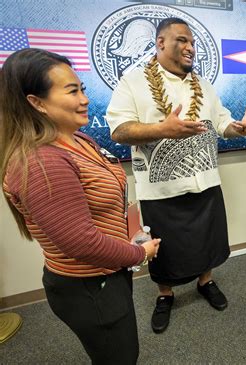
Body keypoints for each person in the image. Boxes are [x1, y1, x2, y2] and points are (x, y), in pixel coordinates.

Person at [0, 49, 160, 364]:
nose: (84, 98)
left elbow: (113, 193)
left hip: (108, 274)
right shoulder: (40, 161)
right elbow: (80, 242)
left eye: (82, 89)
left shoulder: (79, 141)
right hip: (88, 288)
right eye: (72, 91)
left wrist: (133, 231)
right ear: (36, 102)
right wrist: (140, 254)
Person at [106, 17, 246, 334]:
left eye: (192, 42)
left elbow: (221, 122)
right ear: (160, 43)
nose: (190, 47)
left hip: (206, 183)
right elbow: (118, 130)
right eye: (182, 40)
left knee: (208, 241)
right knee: (166, 250)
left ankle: (206, 282)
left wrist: (236, 130)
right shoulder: (132, 82)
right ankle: (165, 296)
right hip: (160, 190)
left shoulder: (204, 85)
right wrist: (161, 130)